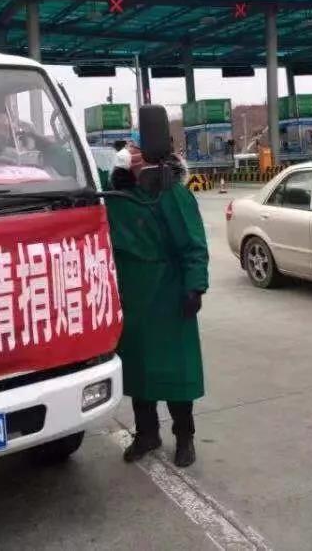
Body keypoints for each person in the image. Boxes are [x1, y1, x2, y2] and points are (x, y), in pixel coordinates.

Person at [106, 146, 208, 468]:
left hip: (168, 294)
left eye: (139, 150)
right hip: (132, 296)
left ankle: (185, 436)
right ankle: (147, 434)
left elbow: (193, 244)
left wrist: (194, 286)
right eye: (129, 150)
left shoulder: (171, 193)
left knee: (176, 371)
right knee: (139, 371)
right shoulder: (118, 196)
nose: (132, 154)